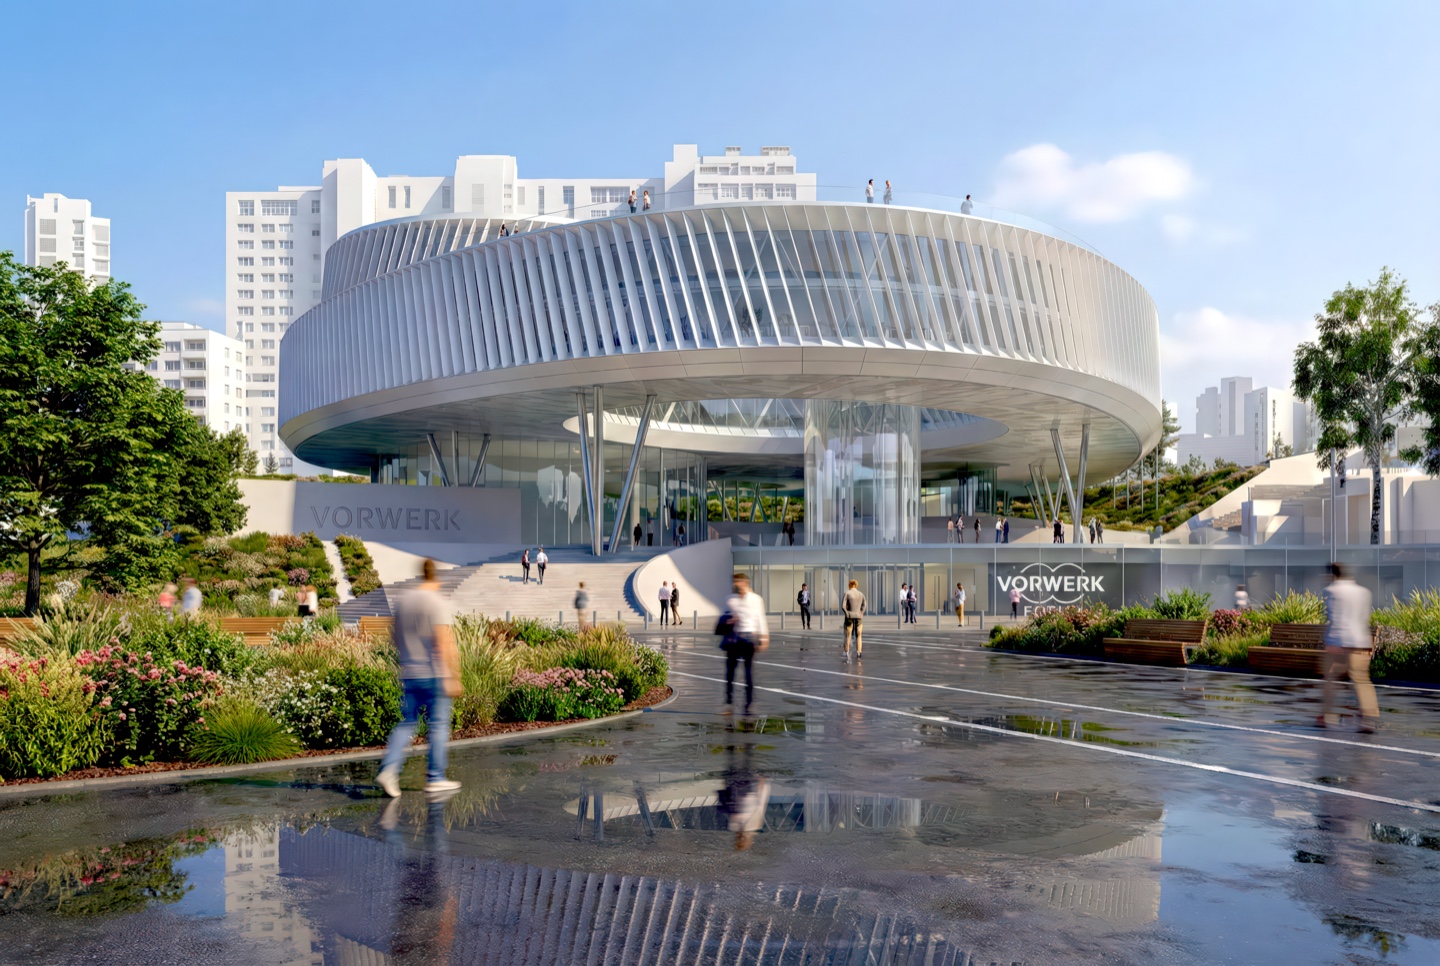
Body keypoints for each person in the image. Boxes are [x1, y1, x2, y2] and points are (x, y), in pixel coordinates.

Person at [376, 559, 462, 797]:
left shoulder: (404, 602)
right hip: (434, 674)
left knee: (406, 723)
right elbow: (443, 641)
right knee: (438, 726)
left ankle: (389, 769)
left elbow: (393, 637)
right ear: (436, 578)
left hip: (410, 673)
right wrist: (452, 676)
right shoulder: (436, 602)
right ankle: (435, 777)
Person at [1319, 562, 1379, 732]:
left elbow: (1334, 616)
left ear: (1332, 575)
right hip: (1361, 641)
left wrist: (1333, 643)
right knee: (1361, 680)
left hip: (1339, 641)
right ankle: (1369, 717)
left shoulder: (1332, 591)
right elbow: (1364, 617)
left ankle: (1327, 715)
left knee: (1330, 679)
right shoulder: (1363, 592)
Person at [722, 573, 768, 715]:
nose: (736, 585)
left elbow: (760, 618)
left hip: (749, 638)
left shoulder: (756, 599)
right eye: (735, 582)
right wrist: (729, 621)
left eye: (739, 582)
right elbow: (726, 617)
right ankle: (728, 703)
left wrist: (765, 637)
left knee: (748, 673)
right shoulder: (731, 599)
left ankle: (749, 704)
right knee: (730, 673)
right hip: (734, 639)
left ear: (745, 582)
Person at [842, 579, 866, 662]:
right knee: (859, 634)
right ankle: (859, 652)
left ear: (849, 585)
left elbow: (843, 606)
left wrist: (847, 613)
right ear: (856, 585)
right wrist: (861, 612)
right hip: (859, 616)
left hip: (850, 615)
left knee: (848, 633)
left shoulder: (847, 593)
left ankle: (846, 650)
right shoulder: (861, 594)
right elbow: (864, 605)